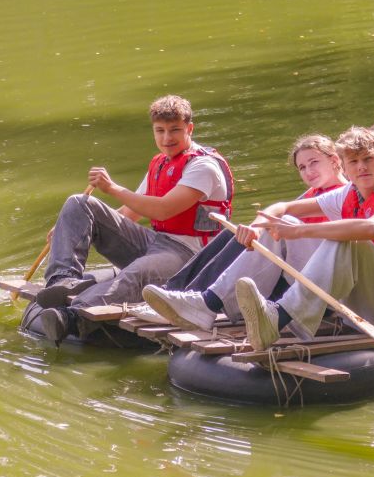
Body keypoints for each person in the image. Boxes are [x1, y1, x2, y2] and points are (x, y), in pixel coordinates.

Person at [154, 127, 374, 351]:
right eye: (354, 161)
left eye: (369, 159)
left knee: (345, 237)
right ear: (343, 164)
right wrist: (257, 227)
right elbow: (282, 208)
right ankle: (208, 304)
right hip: (365, 299)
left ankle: (277, 317)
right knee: (285, 222)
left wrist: (302, 231)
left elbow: (371, 228)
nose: (362, 167)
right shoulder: (348, 193)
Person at [36, 95, 233, 344]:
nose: (166, 139)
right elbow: (130, 212)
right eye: (160, 131)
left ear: (189, 129)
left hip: (189, 257)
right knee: (79, 203)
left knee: (136, 272)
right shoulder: (161, 163)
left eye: (175, 130)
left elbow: (163, 210)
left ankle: (73, 317)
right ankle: (62, 279)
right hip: (156, 242)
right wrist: (71, 227)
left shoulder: (203, 167)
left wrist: (113, 188)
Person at [137, 134, 347, 327]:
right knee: (234, 233)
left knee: (277, 227)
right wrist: (253, 229)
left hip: (323, 279)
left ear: (335, 161)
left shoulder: (343, 195)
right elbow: (276, 212)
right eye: (302, 167)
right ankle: (178, 293)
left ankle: (206, 302)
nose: (308, 172)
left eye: (314, 163)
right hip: (300, 270)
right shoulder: (314, 194)